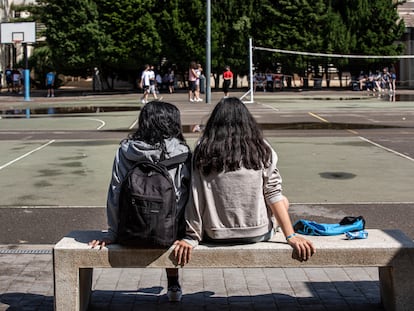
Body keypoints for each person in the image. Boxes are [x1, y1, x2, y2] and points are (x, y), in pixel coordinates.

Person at [173, 97, 316, 266]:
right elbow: (273, 194)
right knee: (284, 201)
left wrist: (192, 237)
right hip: (256, 231)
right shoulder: (262, 149)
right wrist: (290, 235)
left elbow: (196, 195)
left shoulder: (203, 149)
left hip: (215, 232)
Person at [89, 101, 192, 302]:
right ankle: (173, 284)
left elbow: (115, 192)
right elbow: (185, 196)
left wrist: (113, 232)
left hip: (131, 227)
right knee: (166, 217)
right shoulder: (182, 152)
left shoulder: (126, 150)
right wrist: (190, 235)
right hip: (172, 231)